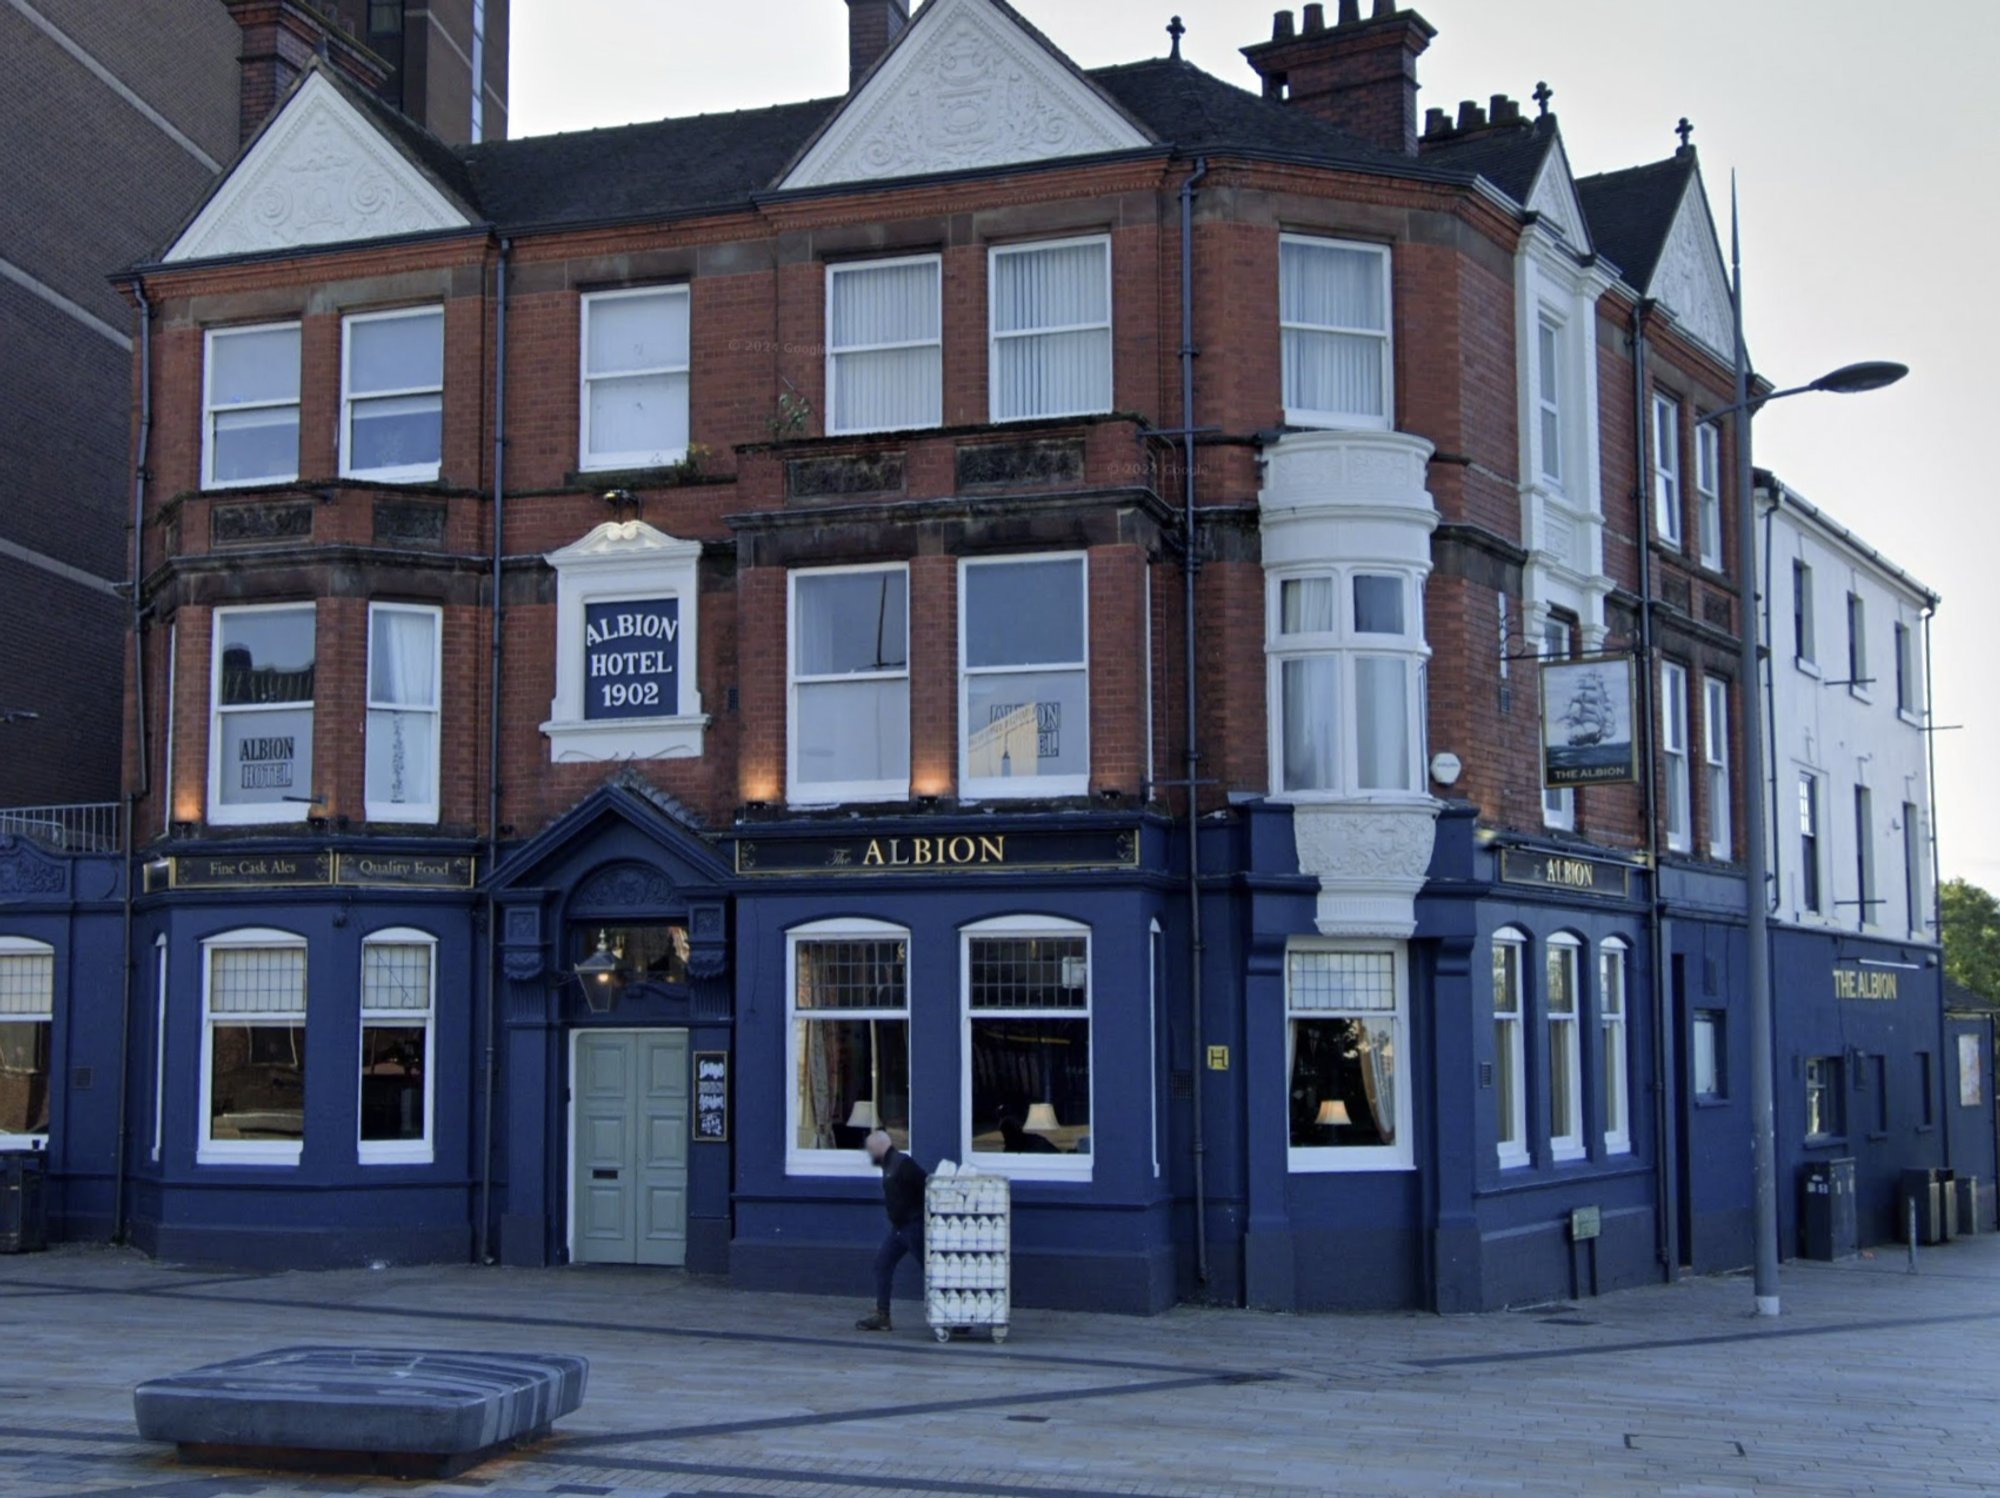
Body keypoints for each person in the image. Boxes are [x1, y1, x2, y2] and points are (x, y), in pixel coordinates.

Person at [856, 1130, 926, 1332]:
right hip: (900, 1228)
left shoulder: (903, 1164)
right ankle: (882, 1315)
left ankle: (956, 1316)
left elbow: (926, 1186)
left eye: (870, 1149)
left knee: (932, 1271)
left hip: (914, 1226)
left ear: (879, 1147)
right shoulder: (889, 1165)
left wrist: (920, 1216)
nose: (869, 1154)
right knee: (882, 1263)